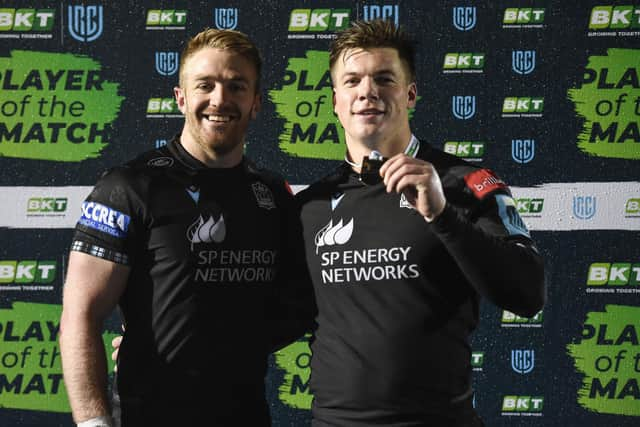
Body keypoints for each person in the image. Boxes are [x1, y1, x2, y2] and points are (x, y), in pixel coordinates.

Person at [296, 19, 546, 426]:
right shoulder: (310, 206)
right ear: (336, 101)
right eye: (352, 81)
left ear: (410, 94)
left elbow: (528, 293)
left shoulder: (466, 184)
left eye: (384, 79)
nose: (367, 92)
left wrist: (442, 215)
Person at [59, 28, 311, 427]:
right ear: (181, 98)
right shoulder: (129, 186)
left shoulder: (274, 194)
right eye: (205, 85)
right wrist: (93, 423)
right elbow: (80, 314)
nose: (220, 100)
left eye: (236, 86)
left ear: (256, 102)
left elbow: (298, 307)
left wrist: (213, 344)